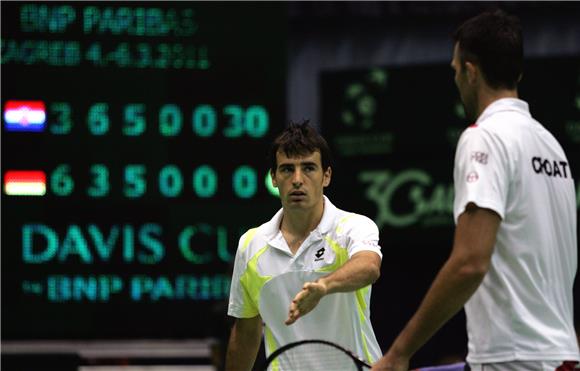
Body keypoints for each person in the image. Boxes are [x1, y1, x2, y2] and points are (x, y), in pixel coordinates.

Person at [372, 9, 579, 371]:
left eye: (455, 71)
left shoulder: (484, 137)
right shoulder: (551, 147)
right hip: (561, 354)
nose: (456, 80)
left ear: (470, 71)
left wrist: (399, 353)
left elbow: (470, 262)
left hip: (512, 358)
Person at [225, 121, 383, 370]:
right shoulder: (251, 245)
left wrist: (324, 286)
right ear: (274, 178)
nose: (297, 180)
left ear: (326, 176)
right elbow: (246, 332)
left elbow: (369, 266)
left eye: (308, 168)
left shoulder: (352, 227)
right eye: (287, 170)